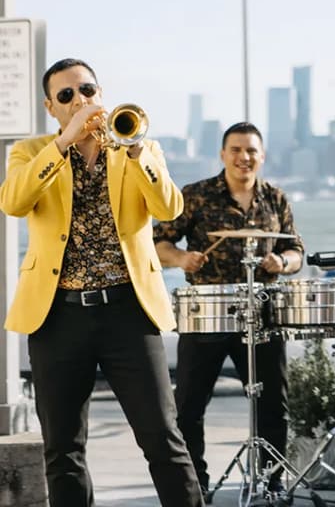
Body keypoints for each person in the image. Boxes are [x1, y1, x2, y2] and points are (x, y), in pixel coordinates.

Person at [0, 58, 203, 506]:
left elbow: (169, 209)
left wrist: (134, 152)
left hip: (129, 312)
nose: (80, 100)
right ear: (50, 107)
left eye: (87, 90)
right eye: (67, 95)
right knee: (63, 449)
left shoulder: (139, 146)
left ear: (100, 93)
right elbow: (13, 202)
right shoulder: (31, 152)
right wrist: (64, 144)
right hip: (56, 316)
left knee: (163, 440)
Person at [154, 122, 304, 497]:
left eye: (251, 150)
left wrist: (281, 263)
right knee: (189, 406)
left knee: (273, 405)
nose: (244, 157)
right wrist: (182, 259)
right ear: (223, 154)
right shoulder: (196, 195)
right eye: (236, 150)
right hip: (208, 311)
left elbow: (297, 251)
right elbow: (158, 243)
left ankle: (270, 484)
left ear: (262, 155)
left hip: (264, 312)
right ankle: (194, 487)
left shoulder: (276, 198)